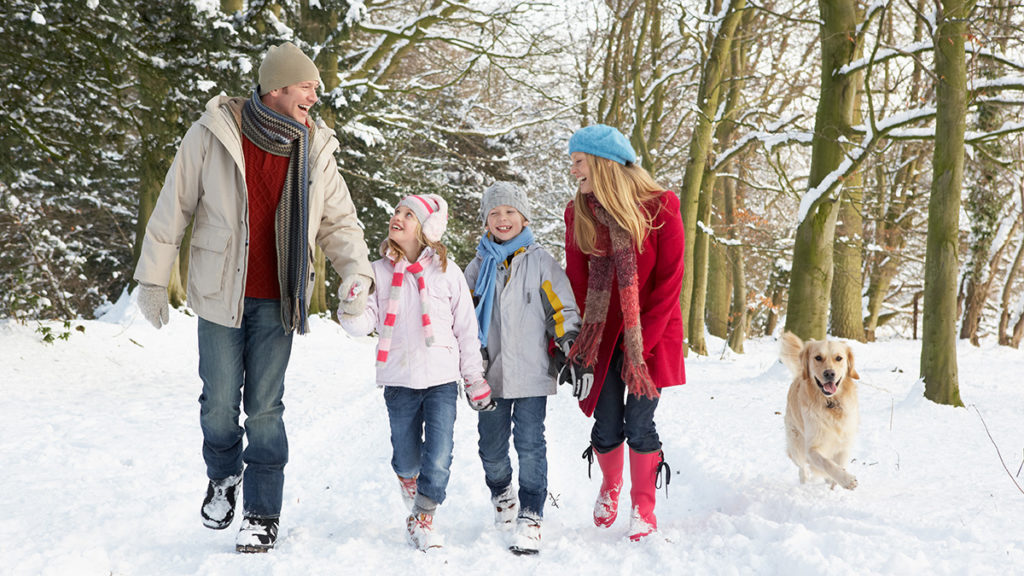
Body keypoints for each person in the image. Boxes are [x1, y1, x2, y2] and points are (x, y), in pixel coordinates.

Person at [133, 42, 374, 553]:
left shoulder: (316, 146)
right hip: (221, 291)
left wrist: (356, 279)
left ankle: (262, 513)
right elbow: (172, 206)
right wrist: (153, 279)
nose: (315, 93)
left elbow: (340, 223)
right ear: (277, 89)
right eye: (306, 86)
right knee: (219, 405)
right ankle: (223, 476)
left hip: (279, 299)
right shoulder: (213, 134)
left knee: (265, 408)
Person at [339, 193, 496, 551]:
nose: (398, 217)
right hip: (398, 379)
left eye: (409, 214)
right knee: (407, 456)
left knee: (439, 454)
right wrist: (351, 305)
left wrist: (474, 378)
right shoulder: (377, 272)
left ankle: (423, 517)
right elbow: (366, 323)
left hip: (442, 380)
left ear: (426, 230)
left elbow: (466, 329)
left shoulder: (446, 272)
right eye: (397, 211)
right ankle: (408, 480)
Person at [562, 124, 685, 541]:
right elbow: (577, 281)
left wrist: (641, 346)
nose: (573, 170)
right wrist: (581, 341)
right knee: (607, 421)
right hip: (603, 334)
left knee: (640, 421)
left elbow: (670, 281)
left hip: (652, 331)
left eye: (578, 161)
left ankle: (643, 507)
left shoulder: (662, 206)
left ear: (602, 162)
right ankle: (610, 484)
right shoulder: (577, 210)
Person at [463, 182, 581, 555]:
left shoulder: (541, 262)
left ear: (524, 217)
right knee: (492, 449)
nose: (502, 219)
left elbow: (562, 309)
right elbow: (462, 319)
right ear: (486, 221)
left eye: (510, 212)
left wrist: (568, 345)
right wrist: (469, 365)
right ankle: (502, 493)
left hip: (532, 374)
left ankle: (531, 513)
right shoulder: (477, 267)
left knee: (530, 445)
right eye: (495, 213)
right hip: (489, 376)